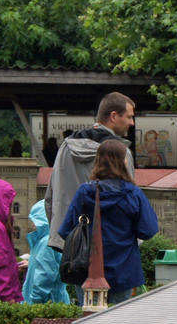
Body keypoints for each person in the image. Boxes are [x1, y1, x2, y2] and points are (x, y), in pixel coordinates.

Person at [56, 141, 158, 305]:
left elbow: (66, 230)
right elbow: (148, 230)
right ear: (122, 161)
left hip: (86, 269)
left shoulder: (84, 192)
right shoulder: (133, 193)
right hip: (124, 270)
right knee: (118, 322)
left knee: (89, 322)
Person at [46, 92, 136, 252]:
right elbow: (128, 202)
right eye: (129, 117)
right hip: (108, 244)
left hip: (70, 242)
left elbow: (51, 197)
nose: (132, 123)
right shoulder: (120, 153)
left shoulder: (66, 148)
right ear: (113, 116)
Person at [21, 200, 71, 305]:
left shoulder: (46, 243)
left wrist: (35, 300)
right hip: (53, 300)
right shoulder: (45, 240)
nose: (32, 223)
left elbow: (45, 275)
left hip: (48, 303)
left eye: (34, 219)